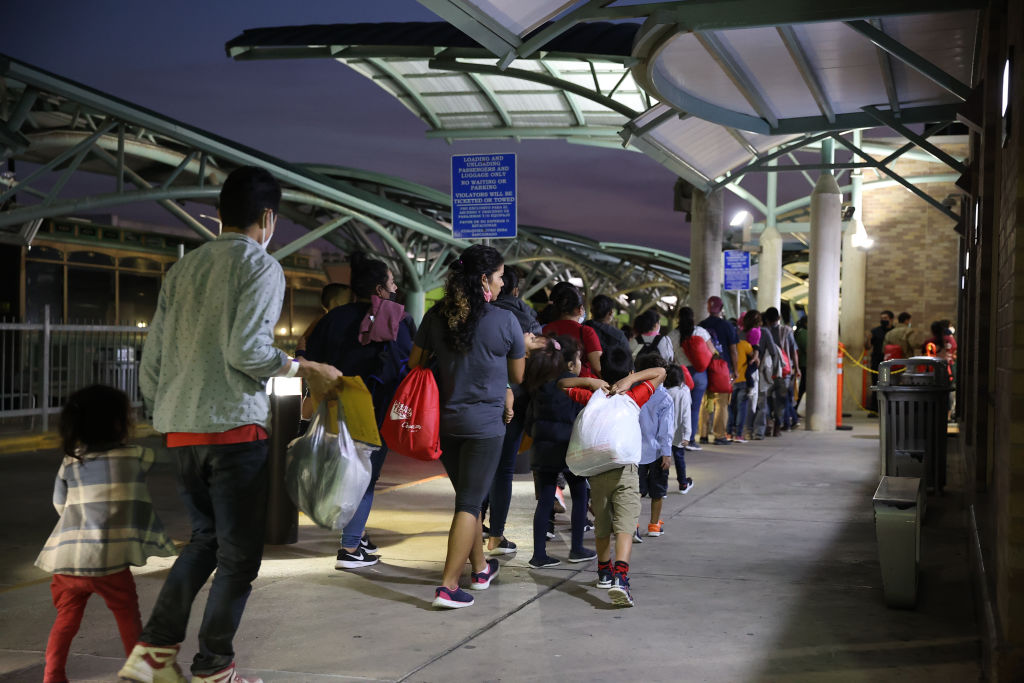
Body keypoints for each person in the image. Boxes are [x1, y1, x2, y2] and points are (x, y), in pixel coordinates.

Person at [120, 166, 343, 683]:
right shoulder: (260, 267)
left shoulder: (184, 269)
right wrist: (304, 368)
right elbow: (248, 350)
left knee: (204, 541)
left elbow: (151, 359)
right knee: (239, 557)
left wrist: (165, 412)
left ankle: (153, 657)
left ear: (220, 213)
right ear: (268, 217)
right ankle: (213, 666)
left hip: (181, 429)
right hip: (233, 431)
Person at [408, 244, 538, 609]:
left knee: (468, 494)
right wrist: (520, 350)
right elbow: (518, 375)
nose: (500, 284)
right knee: (469, 503)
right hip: (486, 426)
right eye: (498, 277)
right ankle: (448, 586)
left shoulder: (436, 317)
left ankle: (480, 568)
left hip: (445, 425)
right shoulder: (505, 321)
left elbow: (415, 363)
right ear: (484, 279)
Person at [37, 385, 177, 683]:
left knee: (66, 620)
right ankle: (137, 672)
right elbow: (173, 459)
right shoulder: (136, 455)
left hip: (68, 561)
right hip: (110, 562)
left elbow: (60, 504)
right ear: (118, 422)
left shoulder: (71, 460)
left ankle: (53, 676)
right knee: (127, 615)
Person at [303, 251, 414, 569]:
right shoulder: (397, 318)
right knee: (366, 477)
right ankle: (350, 549)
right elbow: (409, 363)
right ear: (379, 288)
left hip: (336, 407)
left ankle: (356, 536)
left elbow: (312, 361)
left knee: (345, 471)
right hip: (375, 409)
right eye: (391, 282)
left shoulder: (332, 319)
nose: (394, 287)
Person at [558, 348, 666, 607]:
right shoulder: (633, 394)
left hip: (596, 468)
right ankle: (621, 577)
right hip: (624, 468)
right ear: (629, 372)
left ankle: (604, 571)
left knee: (603, 522)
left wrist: (591, 382)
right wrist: (632, 380)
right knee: (626, 523)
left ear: (601, 372)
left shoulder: (595, 395)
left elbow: (561, 384)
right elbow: (661, 372)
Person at [482, 268, 542, 555]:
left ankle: (474, 525)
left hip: (482, 395)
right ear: (515, 290)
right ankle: (496, 536)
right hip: (516, 399)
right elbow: (537, 361)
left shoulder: (479, 311)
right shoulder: (526, 317)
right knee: (504, 468)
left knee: (479, 466)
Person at [523, 336, 595, 568]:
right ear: (572, 365)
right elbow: (583, 418)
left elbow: (529, 420)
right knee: (580, 492)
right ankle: (576, 548)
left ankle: (539, 555)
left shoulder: (540, 382)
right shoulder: (574, 384)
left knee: (545, 499)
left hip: (543, 449)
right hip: (568, 448)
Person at [635, 353, 674, 537]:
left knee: (636, 491)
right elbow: (666, 429)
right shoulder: (664, 398)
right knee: (657, 490)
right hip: (657, 451)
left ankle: (632, 525)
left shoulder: (633, 393)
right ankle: (654, 526)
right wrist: (667, 452)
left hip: (635, 451)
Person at [668, 306, 716, 451]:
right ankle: (690, 441)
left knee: (679, 408)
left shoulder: (672, 335)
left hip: (680, 375)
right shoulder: (701, 332)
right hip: (700, 374)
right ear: (693, 317)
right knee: (694, 408)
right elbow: (712, 351)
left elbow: (669, 357)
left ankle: (675, 439)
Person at [699, 296, 739, 444]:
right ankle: (719, 435)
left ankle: (703, 435)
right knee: (721, 404)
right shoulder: (727, 326)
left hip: (704, 368)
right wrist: (735, 369)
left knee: (705, 401)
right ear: (721, 309)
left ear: (708, 308)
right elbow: (733, 350)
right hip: (723, 369)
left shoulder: (701, 326)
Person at [541, 282, 603, 378]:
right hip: (578, 387)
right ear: (580, 309)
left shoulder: (545, 330)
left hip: (548, 384)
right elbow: (599, 368)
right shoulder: (586, 332)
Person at [763, 306, 800, 433]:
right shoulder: (786, 331)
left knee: (766, 398)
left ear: (766, 320)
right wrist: (797, 368)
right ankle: (779, 425)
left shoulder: (762, 332)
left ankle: (768, 423)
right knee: (782, 399)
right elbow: (793, 351)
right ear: (779, 318)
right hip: (784, 370)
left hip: (766, 371)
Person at [294, 282, 351, 359]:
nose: (351, 304)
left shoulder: (319, 322)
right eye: (348, 300)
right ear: (335, 303)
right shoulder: (329, 323)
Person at [727, 318, 758, 442]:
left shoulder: (725, 346)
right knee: (741, 408)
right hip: (743, 380)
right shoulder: (745, 344)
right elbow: (754, 359)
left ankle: (729, 433)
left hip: (729, 381)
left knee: (730, 408)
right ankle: (739, 435)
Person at [664, 364, 693, 494]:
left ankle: (661, 488)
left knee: (664, 460)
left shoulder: (663, 392)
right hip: (678, 434)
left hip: (664, 434)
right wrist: (687, 435)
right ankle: (683, 483)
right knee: (679, 458)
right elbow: (686, 416)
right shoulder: (683, 394)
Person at [584, 294, 631, 359]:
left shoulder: (581, 328)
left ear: (591, 310)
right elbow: (628, 362)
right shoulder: (619, 337)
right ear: (611, 312)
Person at [865, 310, 894, 414]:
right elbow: (867, 347)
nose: (883, 320)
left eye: (885, 318)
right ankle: (874, 409)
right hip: (877, 361)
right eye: (882, 318)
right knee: (876, 384)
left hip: (889, 362)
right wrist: (868, 339)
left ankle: (887, 408)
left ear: (891, 319)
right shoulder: (875, 331)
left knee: (887, 384)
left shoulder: (894, 332)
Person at [793, 316, 808, 413]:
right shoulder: (802, 333)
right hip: (805, 363)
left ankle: (794, 409)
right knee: (803, 387)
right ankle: (794, 409)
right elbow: (808, 348)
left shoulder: (801, 332)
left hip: (804, 363)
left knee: (803, 387)